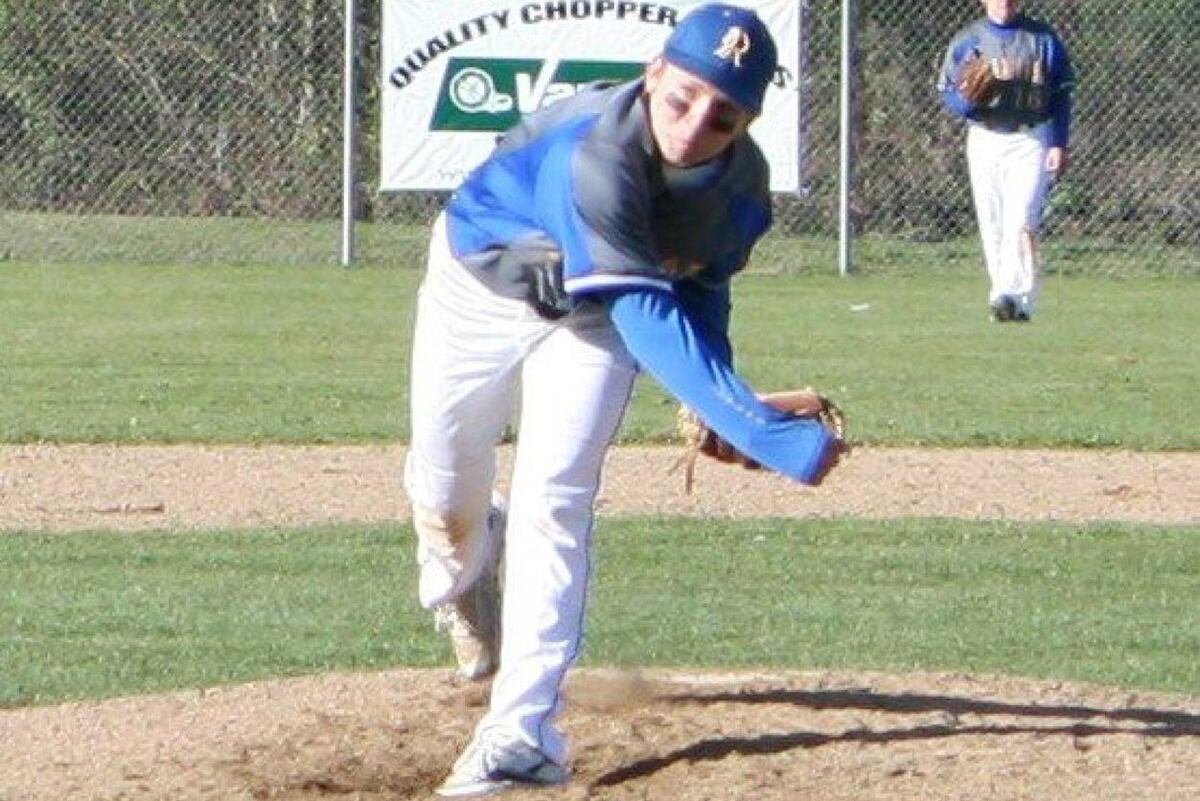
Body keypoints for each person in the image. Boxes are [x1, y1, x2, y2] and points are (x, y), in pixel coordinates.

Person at [402, 4, 845, 796]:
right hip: (482, 288)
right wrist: (766, 432)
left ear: (749, 122)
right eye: (682, 97)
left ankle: (522, 732)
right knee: (445, 481)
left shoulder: (741, 189)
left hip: (593, 319)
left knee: (557, 495)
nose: (696, 123)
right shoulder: (597, 153)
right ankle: (464, 568)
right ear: (652, 77)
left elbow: (701, 290)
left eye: (724, 115)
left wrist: (720, 392)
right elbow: (650, 311)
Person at [937, 0, 1074, 322]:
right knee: (993, 221)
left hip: (1030, 136)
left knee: (1023, 216)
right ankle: (1003, 297)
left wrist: (1058, 143)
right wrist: (970, 102)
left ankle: (1018, 296)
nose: (1004, 2)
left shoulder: (1042, 38)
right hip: (985, 136)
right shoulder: (969, 38)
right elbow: (949, 93)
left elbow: (1061, 95)